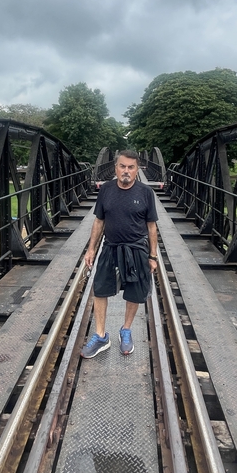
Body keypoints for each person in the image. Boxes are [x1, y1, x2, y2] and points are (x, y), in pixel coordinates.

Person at [81, 150, 158, 358]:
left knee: (134, 292)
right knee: (100, 289)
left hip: (136, 249)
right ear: (116, 168)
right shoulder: (106, 189)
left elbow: (151, 227)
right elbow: (99, 221)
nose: (126, 171)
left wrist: (153, 256)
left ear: (136, 170)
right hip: (110, 246)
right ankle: (100, 336)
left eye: (131, 167)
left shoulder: (145, 192)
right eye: (122, 166)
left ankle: (126, 330)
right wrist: (91, 249)